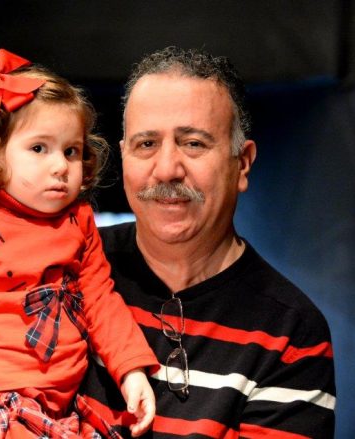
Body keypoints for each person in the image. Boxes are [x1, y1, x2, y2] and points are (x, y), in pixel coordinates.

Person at [0, 48, 159, 439]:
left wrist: (131, 371)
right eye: (39, 148)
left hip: (59, 412)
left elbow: (101, 301)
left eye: (71, 151)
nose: (60, 166)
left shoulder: (79, 222)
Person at [79, 46, 336, 438]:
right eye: (146, 144)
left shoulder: (291, 333)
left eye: (193, 143)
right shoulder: (64, 268)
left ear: (242, 164)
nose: (167, 169)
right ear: (124, 156)